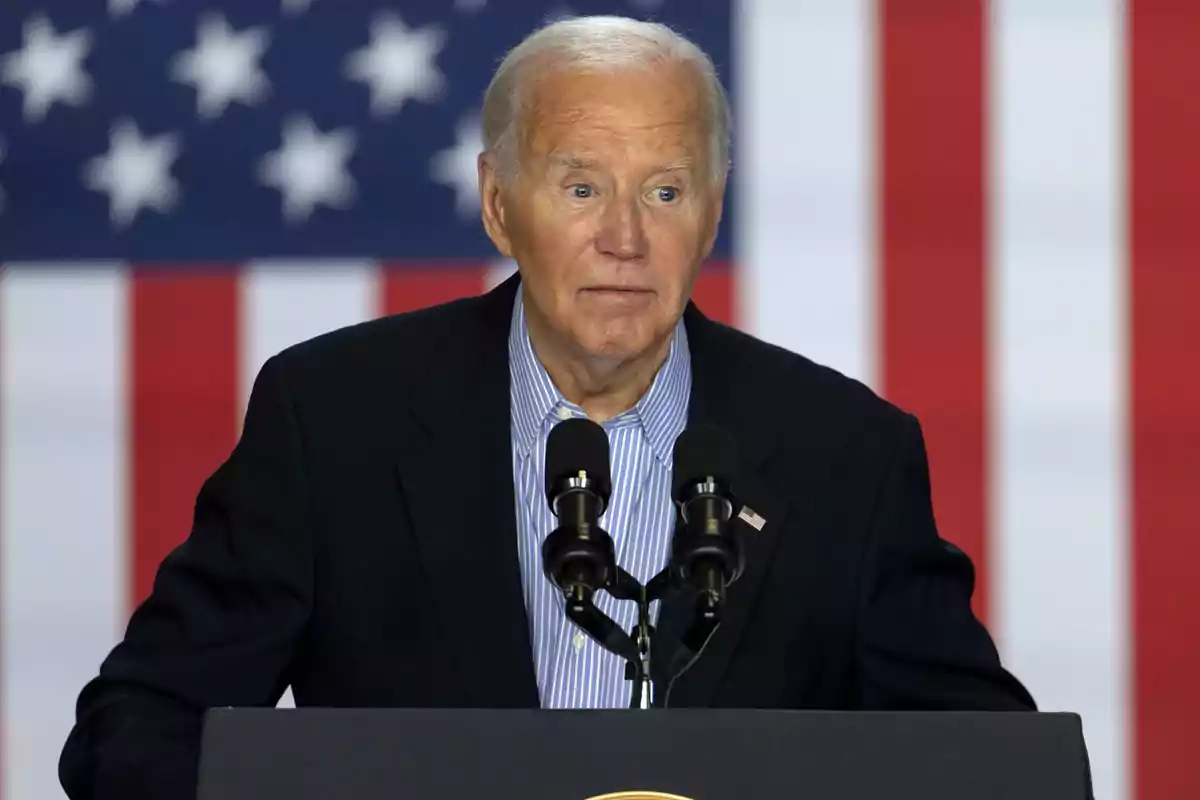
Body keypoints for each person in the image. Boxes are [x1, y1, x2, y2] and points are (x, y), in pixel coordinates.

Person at [59, 14, 1035, 799]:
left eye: (664, 189)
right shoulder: (332, 420)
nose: (623, 236)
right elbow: (137, 727)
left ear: (713, 211)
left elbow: (990, 766)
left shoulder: (845, 455)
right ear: (499, 205)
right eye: (580, 186)